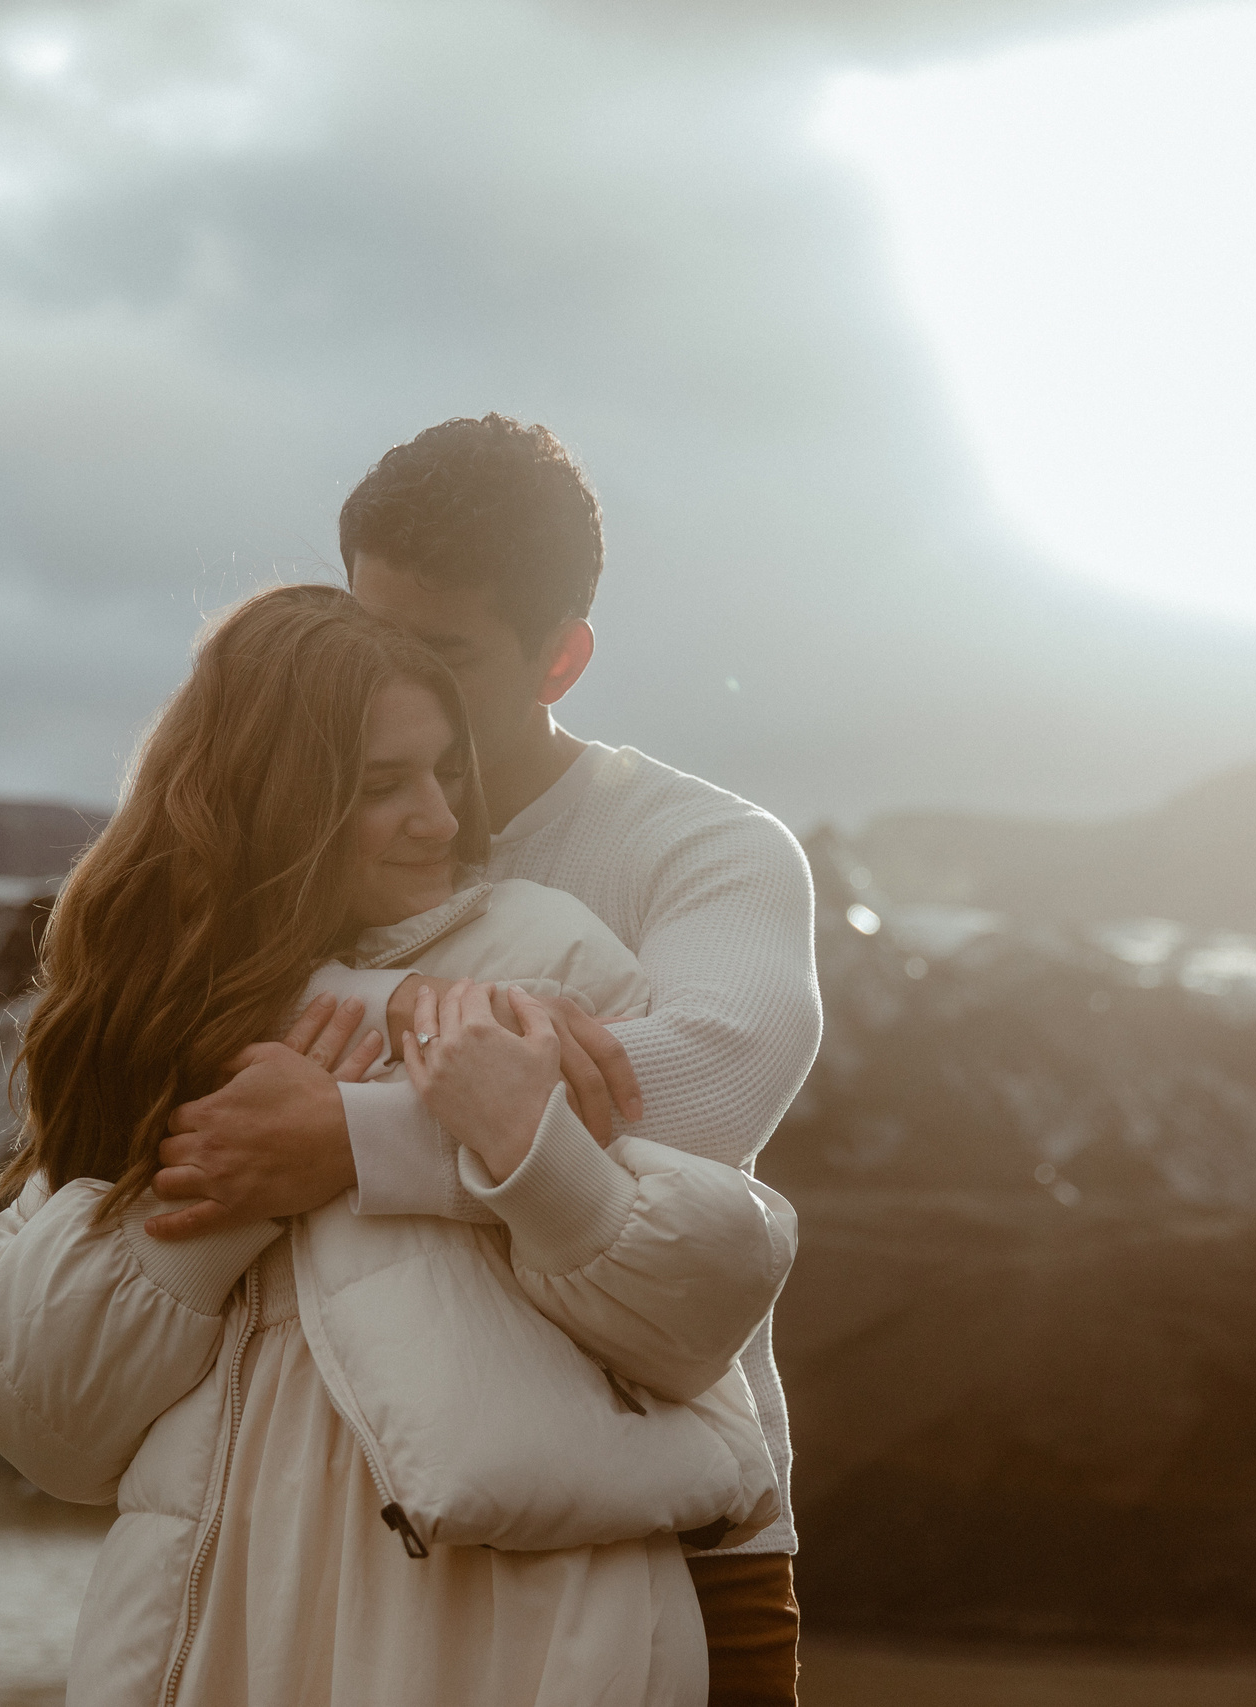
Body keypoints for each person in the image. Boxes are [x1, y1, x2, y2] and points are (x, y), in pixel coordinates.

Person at [0, 584, 794, 1707]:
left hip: (510, 1642)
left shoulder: (540, 954)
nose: (439, 818)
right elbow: (46, 1423)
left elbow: (695, 1320)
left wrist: (452, 1141)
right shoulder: (153, 1021)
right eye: (382, 786)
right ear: (268, 801)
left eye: (443, 774)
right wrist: (232, 1182)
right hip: (219, 1639)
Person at [146, 417, 823, 1706]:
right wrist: (427, 1020)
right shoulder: (301, 846)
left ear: (559, 656)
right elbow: (180, 1068)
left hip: (674, 1527)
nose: (388, 675)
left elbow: (694, 1096)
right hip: (351, 1540)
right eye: (372, 627)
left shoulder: (707, 850)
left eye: (441, 653)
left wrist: (347, 1136)